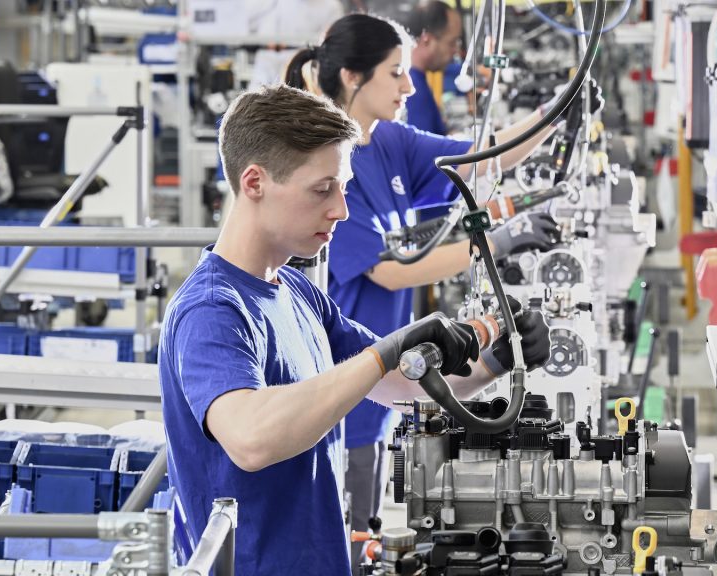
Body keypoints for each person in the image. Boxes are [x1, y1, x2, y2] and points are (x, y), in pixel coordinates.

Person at [158, 84, 551, 575]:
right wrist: (382, 353)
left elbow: (407, 387)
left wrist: (499, 359)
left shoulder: (296, 293)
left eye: (342, 187)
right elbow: (250, 438)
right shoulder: (213, 309)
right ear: (254, 182)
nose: (341, 209)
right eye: (323, 189)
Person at [283, 13, 575, 547]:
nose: (410, 86)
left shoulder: (389, 141)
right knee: (343, 537)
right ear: (352, 76)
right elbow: (392, 273)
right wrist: (497, 243)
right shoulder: (323, 173)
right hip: (343, 393)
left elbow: (477, 158)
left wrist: (554, 113)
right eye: (396, 73)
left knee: (367, 532)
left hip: (385, 378)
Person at [404, 0, 461, 135]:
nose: (455, 51)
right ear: (427, 40)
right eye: (451, 42)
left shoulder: (419, 80)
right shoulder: (411, 89)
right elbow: (422, 153)